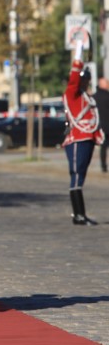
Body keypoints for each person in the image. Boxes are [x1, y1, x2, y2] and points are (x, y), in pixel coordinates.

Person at [62, 41, 104, 225]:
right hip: (77, 139)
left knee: (81, 177)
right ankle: (79, 215)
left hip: (87, 139)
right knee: (76, 175)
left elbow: (93, 118)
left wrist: (97, 135)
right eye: (83, 80)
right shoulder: (72, 95)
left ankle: (80, 214)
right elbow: (73, 78)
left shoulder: (88, 98)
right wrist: (78, 53)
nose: (86, 82)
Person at [93, 77, 109, 173]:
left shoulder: (94, 97)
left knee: (103, 147)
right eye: (107, 83)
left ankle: (103, 166)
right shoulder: (107, 96)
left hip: (99, 126)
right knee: (104, 146)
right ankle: (103, 166)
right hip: (106, 126)